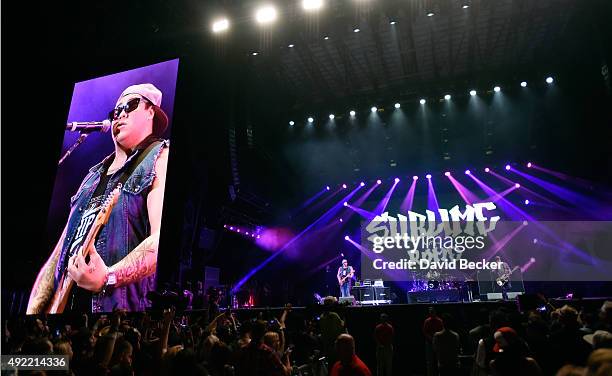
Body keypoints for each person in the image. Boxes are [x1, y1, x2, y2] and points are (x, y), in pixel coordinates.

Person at [27, 83, 170, 314]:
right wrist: (33, 311)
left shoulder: (159, 157)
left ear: (150, 111)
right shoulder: (92, 176)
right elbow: (59, 252)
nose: (120, 114)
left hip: (113, 318)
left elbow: (161, 238)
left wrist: (107, 277)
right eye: (115, 111)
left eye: (130, 105)